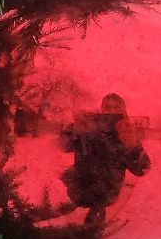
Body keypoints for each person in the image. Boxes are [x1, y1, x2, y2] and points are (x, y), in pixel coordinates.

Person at [58, 93, 151, 222]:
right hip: (78, 190)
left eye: (116, 107)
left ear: (123, 111)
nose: (111, 111)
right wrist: (73, 129)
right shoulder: (90, 127)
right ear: (101, 109)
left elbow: (142, 169)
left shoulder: (125, 132)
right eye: (108, 107)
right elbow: (63, 146)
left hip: (105, 194)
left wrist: (133, 144)